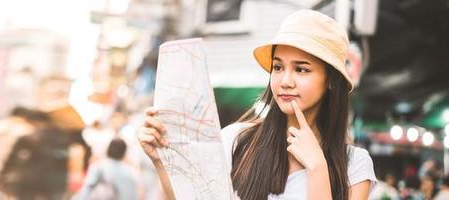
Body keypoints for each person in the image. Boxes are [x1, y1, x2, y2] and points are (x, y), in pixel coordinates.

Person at [138, 10, 377, 199]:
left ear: (331, 81)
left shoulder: (355, 166)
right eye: (278, 67)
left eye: (301, 69)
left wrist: (316, 167)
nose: (285, 81)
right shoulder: (237, 140)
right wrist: (161, 161)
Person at [75, 138, 140, 200]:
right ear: (124, 153)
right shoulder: (130, 172)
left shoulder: (98, 166)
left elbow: (88, 188)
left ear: (108, 149)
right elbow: (134, 196)